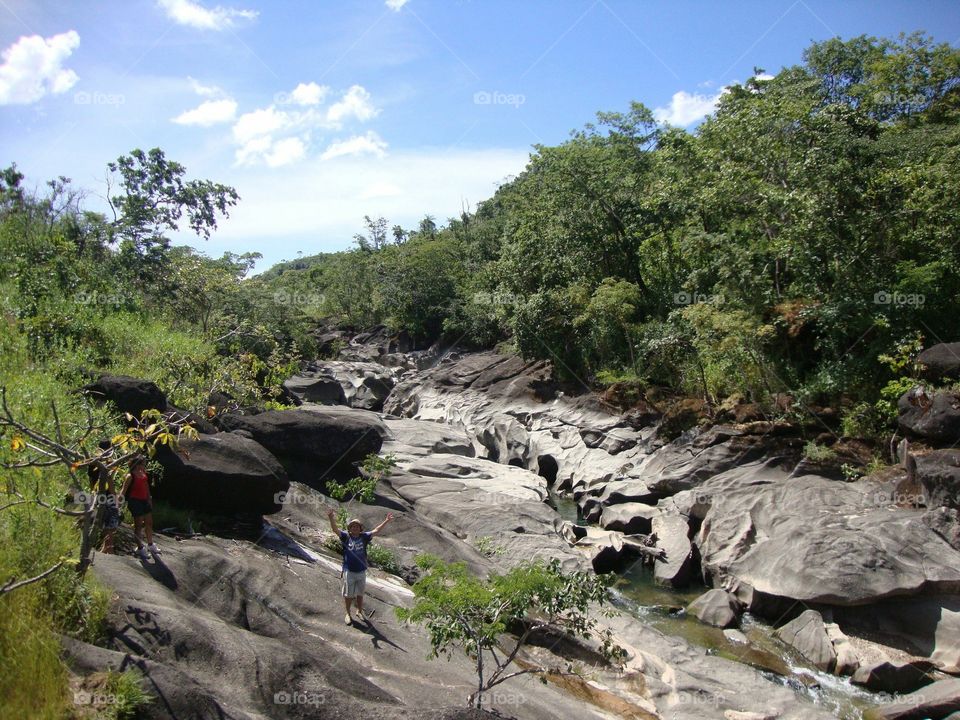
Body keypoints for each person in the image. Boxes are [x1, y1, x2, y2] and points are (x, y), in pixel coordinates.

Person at [327, 508, 393, 625]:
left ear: (360, 528)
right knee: (348, 595)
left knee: (360, 593)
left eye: (357, 526)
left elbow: (376, 530)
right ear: (350, 528)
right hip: (349, 571)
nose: (355, 528)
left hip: (361, 571)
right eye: (353, 526)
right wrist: (331, 518)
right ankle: (348, 613)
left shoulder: (364, 537)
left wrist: (386, 521)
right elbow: (335, 529)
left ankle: (359, 611)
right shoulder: (346, 537)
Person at [119, 456, 159, 560]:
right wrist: (118, 502)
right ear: (137, 464)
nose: (144, 465)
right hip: (135, 501)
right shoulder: (130, 476)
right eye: (143, 463)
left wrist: (149, 498)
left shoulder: (143, 472)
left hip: (144, 500)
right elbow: (123, 490)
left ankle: (150, 544)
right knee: (138, 525)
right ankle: (140, 548)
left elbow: (146, 485)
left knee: (149, 522)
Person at [87, 439, 119, 554]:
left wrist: (93, 493)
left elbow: (91, 480)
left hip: (98, 495)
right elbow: (109, 481)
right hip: (108, 495)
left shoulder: (92, 463)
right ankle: (108, 547)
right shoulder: (108, 463)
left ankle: (104, 547)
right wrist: (115, 497)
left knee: (102, 520)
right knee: (111, 521)